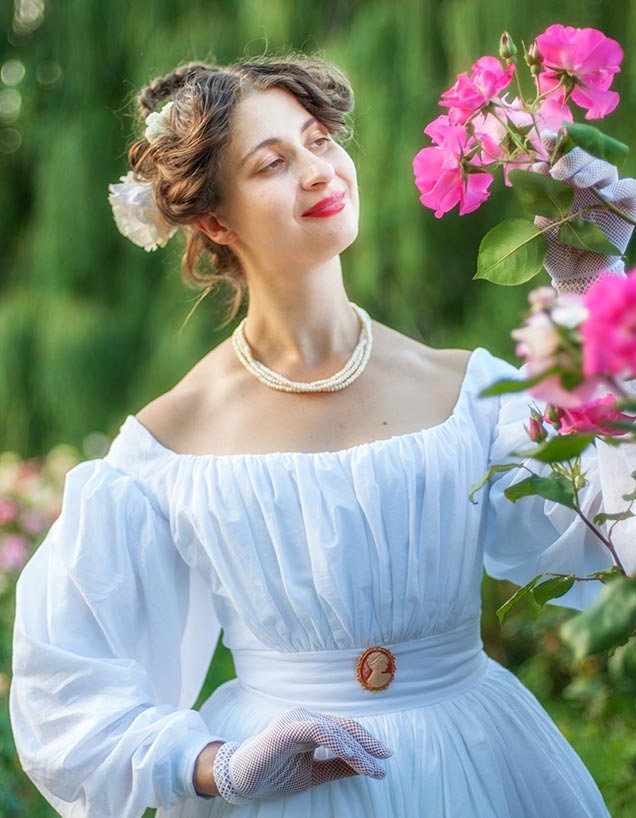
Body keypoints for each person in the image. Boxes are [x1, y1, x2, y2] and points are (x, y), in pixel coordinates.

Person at [9, 55, 636, 818]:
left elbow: (604, 537)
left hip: (479, 764)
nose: (318, 171)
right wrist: (222, 767)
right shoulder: (166, 447)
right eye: (273, 162)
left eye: (319, 139)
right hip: (285, 792)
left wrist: (591, 299)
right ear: (213, 219)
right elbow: (66, 691)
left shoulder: (470, 389)